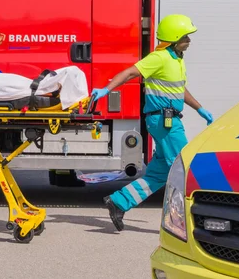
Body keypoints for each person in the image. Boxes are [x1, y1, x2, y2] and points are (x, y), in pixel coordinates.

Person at [90, 14, 214, 232]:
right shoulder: (159, 58)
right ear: (175, 38)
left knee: (160, 173)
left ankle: (119, 201)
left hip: (169, 119)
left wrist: (199, 108)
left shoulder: (176, 59)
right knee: (183, 167)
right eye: (186, 36)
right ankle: (193, 220)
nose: (189, 40)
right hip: (163, 121)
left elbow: (178, 89)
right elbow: (130, 72)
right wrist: (106, 90)